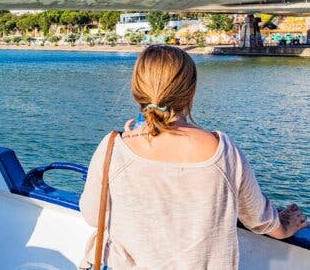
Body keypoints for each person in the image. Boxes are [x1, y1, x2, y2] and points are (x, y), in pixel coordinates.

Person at [79, 45, 308, 269]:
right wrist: (284, 227)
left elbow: (92, 215)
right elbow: (258, 217)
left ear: (136, 89)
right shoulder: (223, 151)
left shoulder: (114, 146)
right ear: (190, 92)